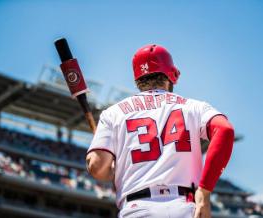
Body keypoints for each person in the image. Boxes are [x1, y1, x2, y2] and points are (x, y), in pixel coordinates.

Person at [86, 44, 234, 218]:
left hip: (137, 208)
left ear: (137, 79)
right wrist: (204, 192)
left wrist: (112, 170)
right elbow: (225, 130)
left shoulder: (113, 113)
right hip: (185, 207)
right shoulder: (194, 107)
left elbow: (96, 167)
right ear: (171, 74)